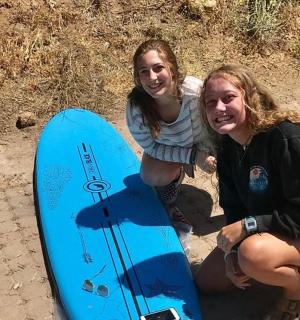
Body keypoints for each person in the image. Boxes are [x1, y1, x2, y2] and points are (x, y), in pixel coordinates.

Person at [195, 63, 300, 319]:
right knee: (208, 280)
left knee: (251, 256)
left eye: (228, 98)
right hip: (271, 230)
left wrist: (249, 227)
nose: (219, 108)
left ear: (249, 97)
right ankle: (268, 264)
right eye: (210, 102)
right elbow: (234, 209)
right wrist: (230, 253)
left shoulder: (284, 138)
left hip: (295, 226)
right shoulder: (228, 147)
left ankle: (295, 292)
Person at [126, 39, 216, 230]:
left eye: (158, 68)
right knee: (150, 176)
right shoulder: (136, 109)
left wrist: (213, 153)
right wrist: (192, 157)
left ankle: (241, 207)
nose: (152, 77)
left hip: (209, 143)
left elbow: (219, 120)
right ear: (138, 78)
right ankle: (174, 181)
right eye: (144, 71)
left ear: (172, 69)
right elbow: (152, 147)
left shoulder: (195, 92)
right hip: (174, 149)